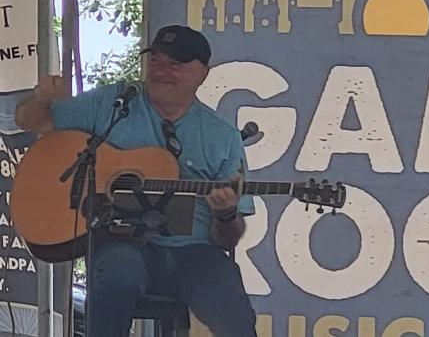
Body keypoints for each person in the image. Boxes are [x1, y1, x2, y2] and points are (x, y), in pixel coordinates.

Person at [15, 25, 257, 336]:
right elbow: (32, 121)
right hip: (120, 243)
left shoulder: (222, 136)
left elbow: (227, 239)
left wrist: (225, 214)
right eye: (155, 61)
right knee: (117, 274)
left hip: (193, 253)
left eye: (175, 65)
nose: (160, 71)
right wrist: (40, 101)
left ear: (202, 74)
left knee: (234, 313)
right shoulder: (116, 102)